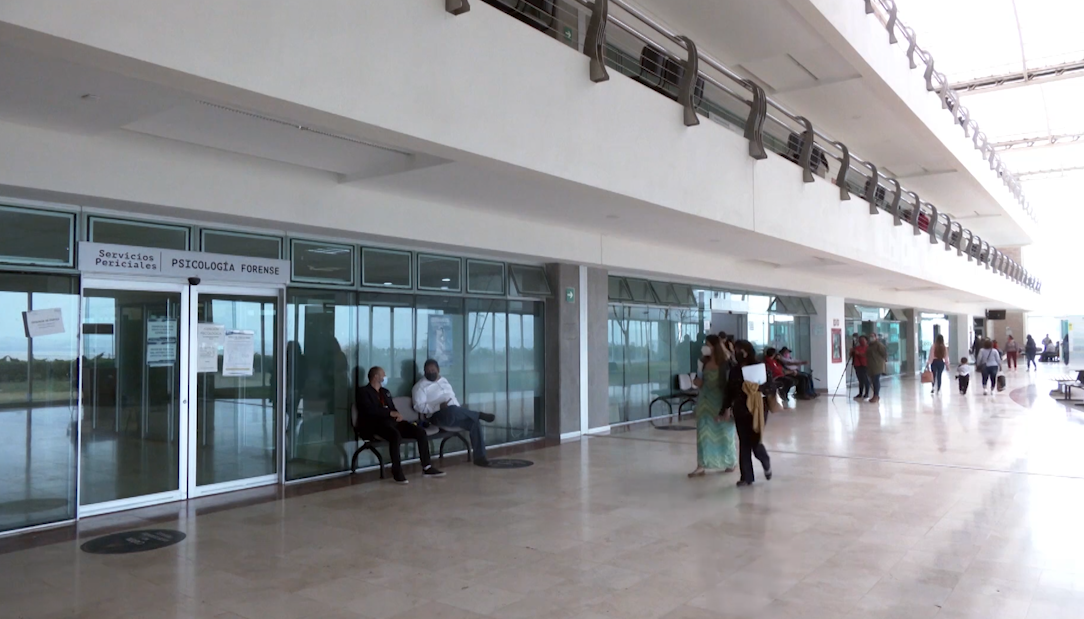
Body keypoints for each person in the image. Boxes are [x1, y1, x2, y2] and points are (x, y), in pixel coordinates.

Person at [355, 366, 445, 484]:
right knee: (395, 435)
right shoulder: (363, 392)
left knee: (420, 432)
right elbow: (369, 410)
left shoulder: (385, 392)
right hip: (375, 424)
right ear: (376, 377)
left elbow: (392, 408)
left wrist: (397, 414)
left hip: (392, 422)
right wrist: (389, 413)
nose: (385, 377)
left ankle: (427, 467)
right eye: (383, 374)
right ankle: (396, 470)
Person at [412, 359, 495, 467]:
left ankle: (480, 458)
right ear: (424, 371)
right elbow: (418, 407)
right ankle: (478, 415)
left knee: (474, 422)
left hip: (455, 414)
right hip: (437, 416)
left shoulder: (444, 381)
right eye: (427, 371)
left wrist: (460, 412)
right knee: (452, 410)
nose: (430, 372)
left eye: (433, 370)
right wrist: (438, 406)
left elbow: (453, 398)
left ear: (438, 370)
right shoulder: (420, 387)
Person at [723, 340, 771, 487]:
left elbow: (771, 386)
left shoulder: (760, 367)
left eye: (740, 350)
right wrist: (725, 408)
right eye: (736, 350)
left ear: (747, 351)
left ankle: (765, 460)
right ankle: (746, 477)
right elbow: (729, 391)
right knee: (744, 443)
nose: (737, 353)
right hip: (740, 410)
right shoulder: (735, 370)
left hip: (757, 409)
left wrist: (758, 388)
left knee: (755, 443)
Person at [688, 335, 737, 477]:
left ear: (715, 346)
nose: (705, 347)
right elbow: (699, 381)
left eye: (708, 344)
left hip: (721, 401)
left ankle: (729, 461)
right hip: (705, 401)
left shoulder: (726, 364)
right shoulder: (703, 362)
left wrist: (728, 407)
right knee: (703, 433)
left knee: (725, 432)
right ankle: (701, 464)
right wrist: (696, 381)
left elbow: (730, 386)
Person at [866, 332, 888, 404]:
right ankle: (875, 395)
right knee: (873, 381)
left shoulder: (879, 345)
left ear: (876, 337)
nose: (871, 338)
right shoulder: (869, 345)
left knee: (876, 380)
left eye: (872, 336)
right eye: (870, 336)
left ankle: (876, 395)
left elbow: (884, 353)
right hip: (871, 365)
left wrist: (884, 361)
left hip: (878, 365)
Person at [851, 335, 870, 400]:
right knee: (860, 380)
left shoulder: (868, 348)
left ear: (866, 340)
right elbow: (852, 355)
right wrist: (852, 352)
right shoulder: (857, 347)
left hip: (865, 365)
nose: (861, 341)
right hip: (857, 365)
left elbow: (867, 355)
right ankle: (860, 393)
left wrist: (859, 353)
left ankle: (867, 393)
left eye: (863, 340)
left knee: (865, 379)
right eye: (860, 340)